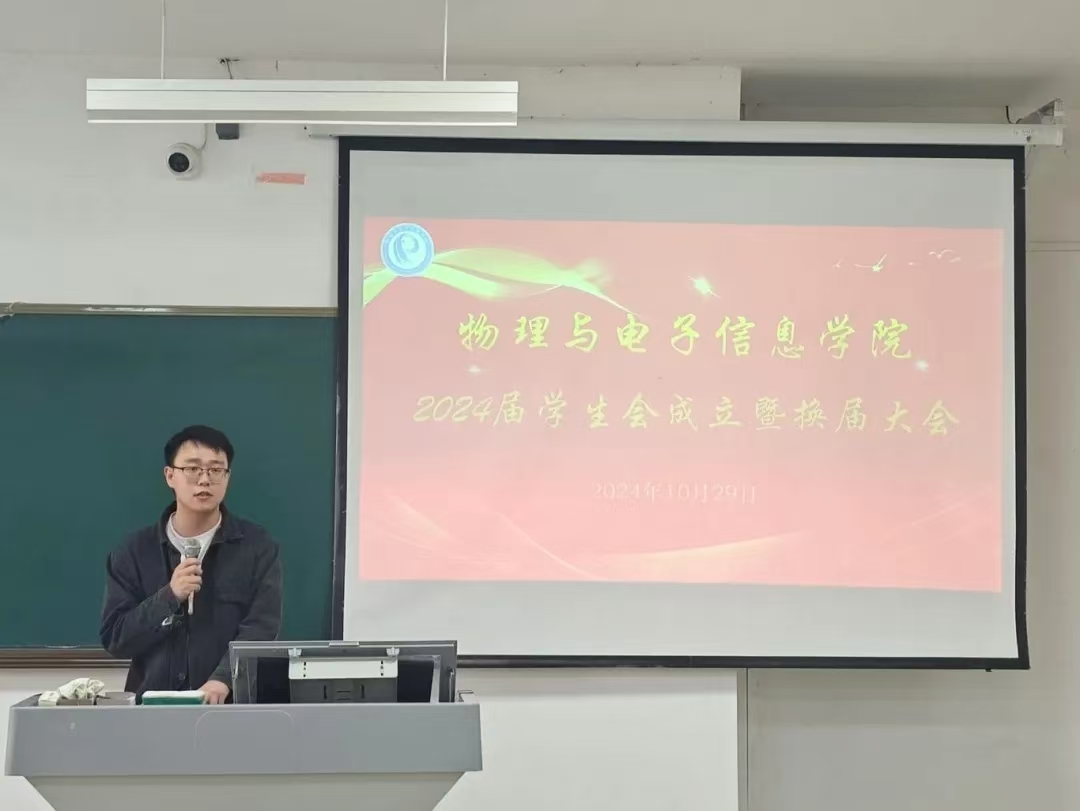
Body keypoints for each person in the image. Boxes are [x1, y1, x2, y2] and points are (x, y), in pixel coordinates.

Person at [100, 425, 282, 703]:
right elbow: (116, 638)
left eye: (215, 470)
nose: (204, 480)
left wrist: (223, 679)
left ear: (227, 477)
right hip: (152, 710)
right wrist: (169, 596)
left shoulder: (257, 547)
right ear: (170, 475)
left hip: (231, 708)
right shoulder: (134, 551)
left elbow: (261, 628)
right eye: (193, 469)